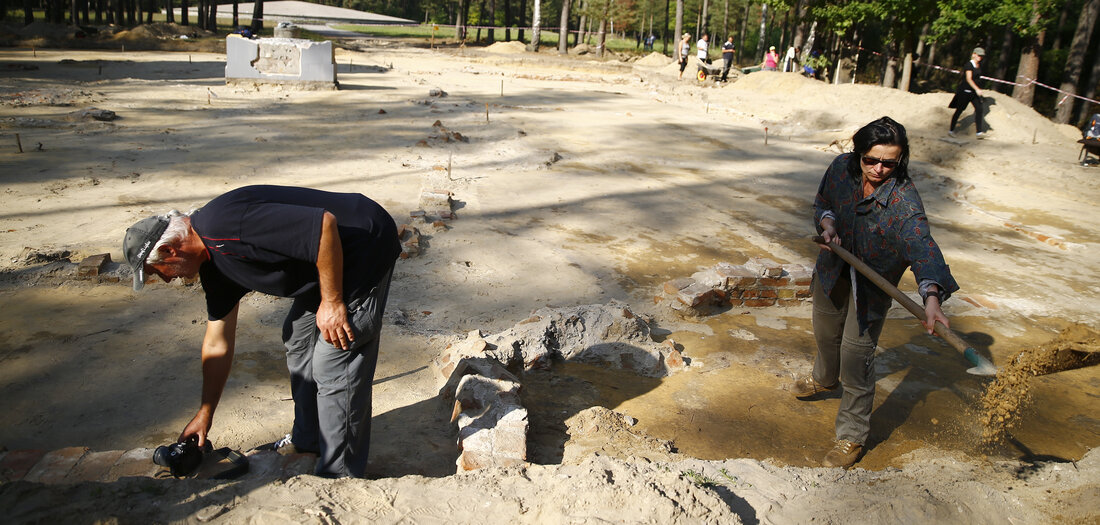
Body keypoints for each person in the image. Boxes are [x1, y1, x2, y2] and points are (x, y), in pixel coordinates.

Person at [123, 185, 401, 478]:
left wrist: (332, 303)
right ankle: (309, 442)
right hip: (321, 260)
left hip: (362, 247)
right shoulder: (214, 267)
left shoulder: (223, 226)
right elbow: (217, 343)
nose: (167, 280)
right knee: (299, 339)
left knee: (334, 358)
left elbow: (324, 225)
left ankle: (340, 474)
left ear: (169, 250)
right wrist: (205, 414)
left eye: (158, 272)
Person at [793, 117, 959, 469]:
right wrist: (828, 224)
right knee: (825, 332)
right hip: (833, 267)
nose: (880, 169)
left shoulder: (903, 200)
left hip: (872, 284)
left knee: (856, 357)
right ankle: (824, 378)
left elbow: (922, 246)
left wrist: (931, 297)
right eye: (872, 160)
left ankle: (851, 435)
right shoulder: (841, 168)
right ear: (858, 153)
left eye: (889, 162)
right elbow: (823, 201)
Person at [948, 47, 987, 138]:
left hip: (973, 93)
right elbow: (969, 79)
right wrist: (977, 89)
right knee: (959, 110)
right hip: (965, 91)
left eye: (981, 56)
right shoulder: (969, 65)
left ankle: (979, 133)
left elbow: (977, 78)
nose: (980, 57)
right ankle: (951, 130)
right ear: (974, 54)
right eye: (978, 55)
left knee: (979, 109)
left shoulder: (979, 66)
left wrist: (978, 88)